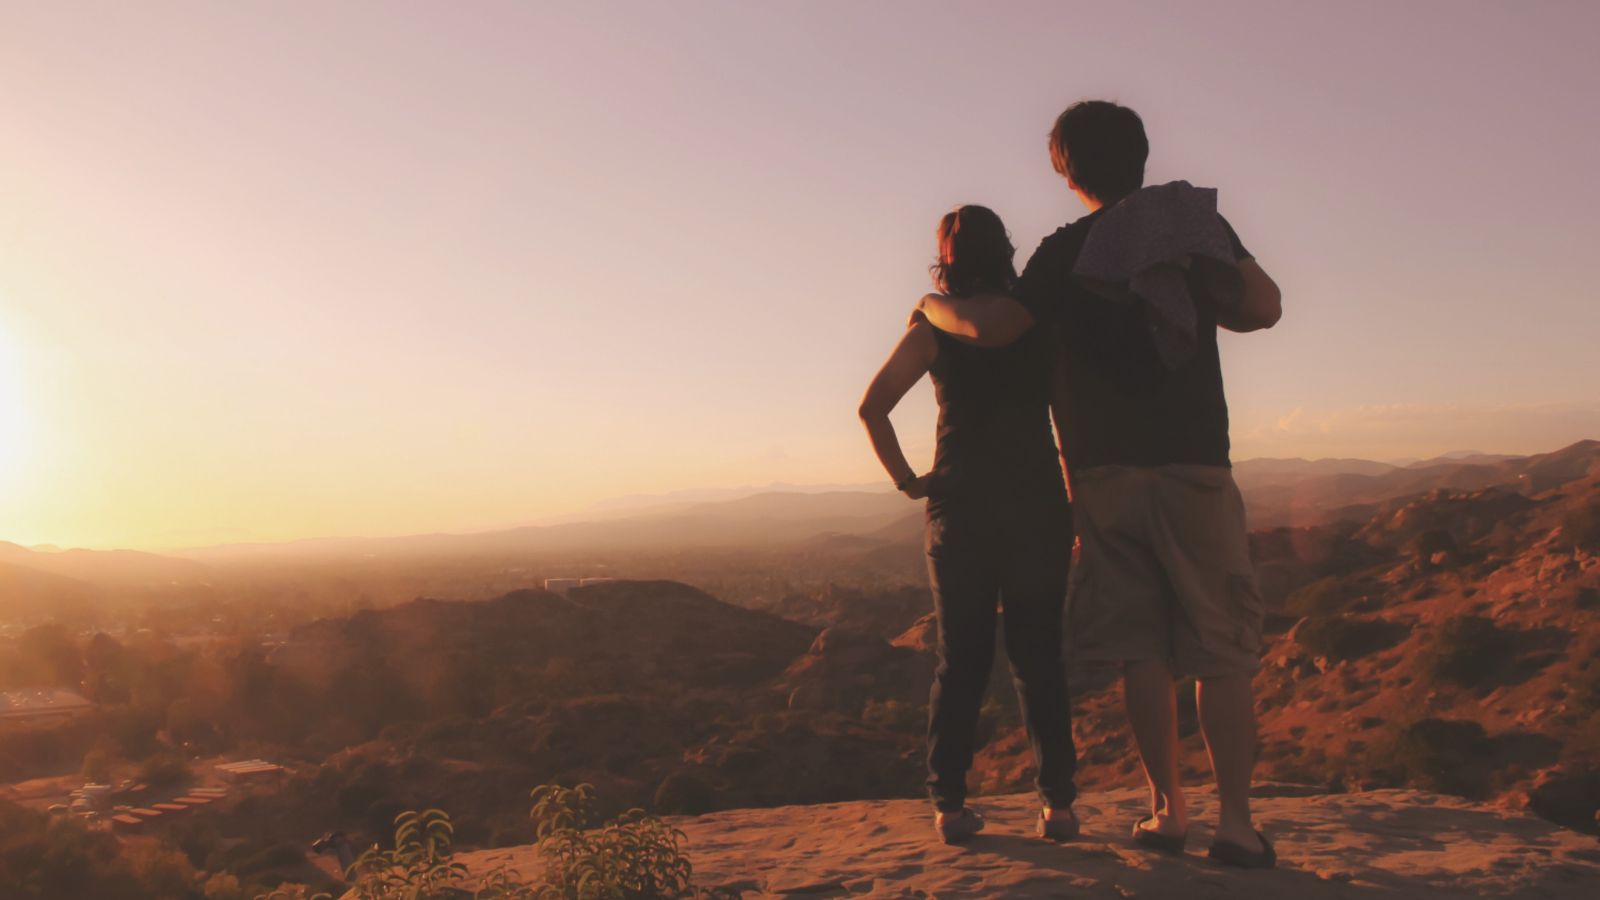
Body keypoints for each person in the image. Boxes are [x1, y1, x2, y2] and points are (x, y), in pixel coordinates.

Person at [917, 101, 1283, 868]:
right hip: (1193, 462)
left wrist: (929, 306)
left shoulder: (1065, 253)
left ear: (1066, 170)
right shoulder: (1188, 229)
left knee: (1141, 647)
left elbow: (995, 329)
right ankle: (1239, 826)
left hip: (1104, 474)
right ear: (1143, 156)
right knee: (1220, 646)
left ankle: (1166, 814)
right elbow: (1262, 307)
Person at [858, 205, 1079, 845]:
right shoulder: (1038, 326)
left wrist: (908, 481)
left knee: (960, 663)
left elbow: (872, 407)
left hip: (960, 508)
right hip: (1037, 504)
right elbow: (1067, 423)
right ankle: (1058, 808)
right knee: (1039, 659)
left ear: (945, 259)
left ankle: (950, 808)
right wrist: (1075, 500)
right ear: (1005, 250)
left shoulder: (931, 328)